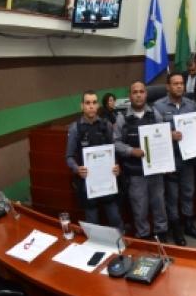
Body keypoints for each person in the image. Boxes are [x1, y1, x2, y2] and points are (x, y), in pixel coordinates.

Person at [153, 72, 196, 245]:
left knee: (188, 192)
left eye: (181, 83)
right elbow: (154, 133)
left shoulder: (191, 104)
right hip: (170, 159)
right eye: (175, 83)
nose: (179, 86)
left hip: (188, 157)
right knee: (172, 196)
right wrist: (169, 134)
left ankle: (188, 224)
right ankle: (176, 229)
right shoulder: (158, 106)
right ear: (168, 87)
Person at [114, 81, 169, 240]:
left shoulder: (155, 114)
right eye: (135, 92)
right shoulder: (122, 118)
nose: (138, 95)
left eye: (141, 92)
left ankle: (162, 234)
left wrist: (166, 160)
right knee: (140, 208)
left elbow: (163, 137)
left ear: (146, 94)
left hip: (155, 171)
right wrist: (131, 151)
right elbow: (115, 143)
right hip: (135, 173)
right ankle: (143, 236)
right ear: (130, 96)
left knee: (159, 205)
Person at [65, 90, 122, 229]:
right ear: (82, 106)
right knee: (93, 223)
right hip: (87, 183)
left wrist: (117, 166)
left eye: (94, 102)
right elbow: (69, 157)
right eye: (87, 103)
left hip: (107, 181)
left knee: (115, 219)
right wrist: (77, 169)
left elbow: (114, 150)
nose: (91, 106)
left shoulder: (107, 125)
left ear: (97, 106)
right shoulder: (75, 128)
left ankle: (120, 242)